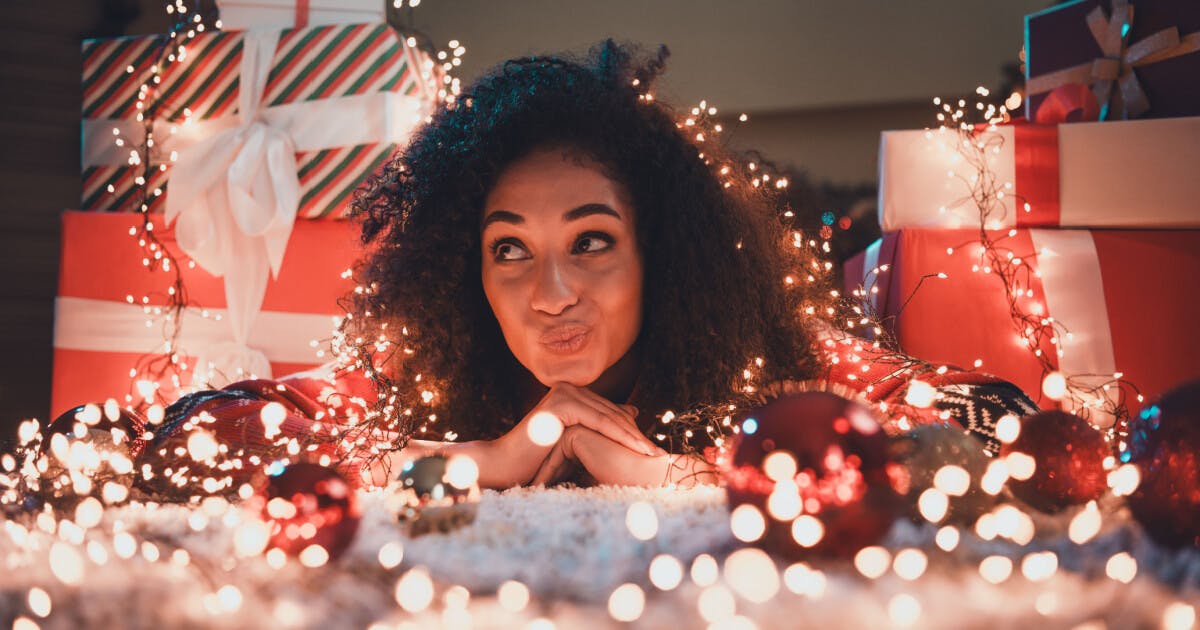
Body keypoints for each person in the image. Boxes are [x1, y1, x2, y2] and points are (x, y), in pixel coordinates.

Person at [155, 41, 1038, 492]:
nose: (549, 295)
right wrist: (481, 462)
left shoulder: (768, 358)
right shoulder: (425, 368)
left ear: (661, 250)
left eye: (591, 241)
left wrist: (683, 474)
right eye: (510, 251)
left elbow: (1002, 435)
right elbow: (193, 438)